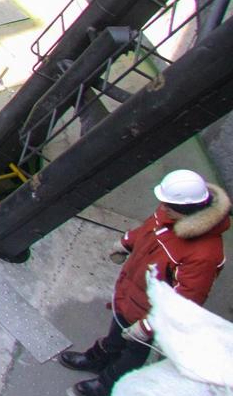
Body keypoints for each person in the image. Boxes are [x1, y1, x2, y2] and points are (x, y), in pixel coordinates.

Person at [60, 169, 230, 396]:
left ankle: (107, 385)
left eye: (168, 205)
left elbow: (185, 302)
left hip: (149, 315)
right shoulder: (171, 212)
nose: (162, 207)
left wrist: (147, 326)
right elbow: (148, 229)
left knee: (133, 353)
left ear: (187, 209)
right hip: (131, 296)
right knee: (115, 335)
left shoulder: (204, 254)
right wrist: (126, 243)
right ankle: (97, 359)